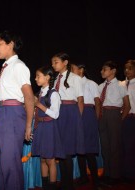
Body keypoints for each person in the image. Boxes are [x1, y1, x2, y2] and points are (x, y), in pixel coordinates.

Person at [0, 30, 34, 190]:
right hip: (2, 113)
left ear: (10, 44)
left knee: (10, 162)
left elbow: (29, 97)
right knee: (0, 161)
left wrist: (29, 125)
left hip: (13, 115)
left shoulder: (18, 66)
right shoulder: (6, 67)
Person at [51, 52, 85, 190]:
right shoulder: (55, 79)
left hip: (70, 113)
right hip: (58, 112)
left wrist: (78, 119)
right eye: (52, 63)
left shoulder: (76, 78)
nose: (53, 65)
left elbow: (80, 100)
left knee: (68, 150)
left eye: (56, 62)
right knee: (61, 149)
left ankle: (68, 184)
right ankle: (64, 181)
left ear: (65, 62)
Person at [31, 66, 65, 190]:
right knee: (42, 159)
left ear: (47, 77)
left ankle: (52, 187)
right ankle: (45, 186)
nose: (35, 79)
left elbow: (55, 115)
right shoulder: (40, 92)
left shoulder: (54, 93)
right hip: (40, 127)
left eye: (38, 76)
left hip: (49, 128)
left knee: (50, 160)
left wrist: (39, 105)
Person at [98, 61, 130, 186]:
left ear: (113, 71)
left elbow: (127, 106)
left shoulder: (121, 85)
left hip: (114, 114)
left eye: (104, 69)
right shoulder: (100, 87)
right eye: (102, 69)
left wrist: (119, 119)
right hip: (103, 115)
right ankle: (107, 173)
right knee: (105, 146)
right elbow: (98, 104)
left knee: (114, 146)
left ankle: (115, 175)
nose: (102, 71)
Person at [71, 62, 101, 188]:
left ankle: (95, 180)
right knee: (79, 147)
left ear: (81, 70)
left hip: (88, 114)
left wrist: (96, 119)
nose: (71, 71)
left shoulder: (91, 84)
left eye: (73, 69)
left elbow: (97, 103)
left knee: (89, 148)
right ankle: (83, 177)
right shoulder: (72, 84)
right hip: (75, 112)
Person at [122, 59, 135, 182]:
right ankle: (126, 173)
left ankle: (130, 175)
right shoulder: (121, 84)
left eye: (130, 68)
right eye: (125, 68)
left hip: (133, 117)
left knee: (131, 147)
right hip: (123, 118)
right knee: (124, 147)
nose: (127, 70)